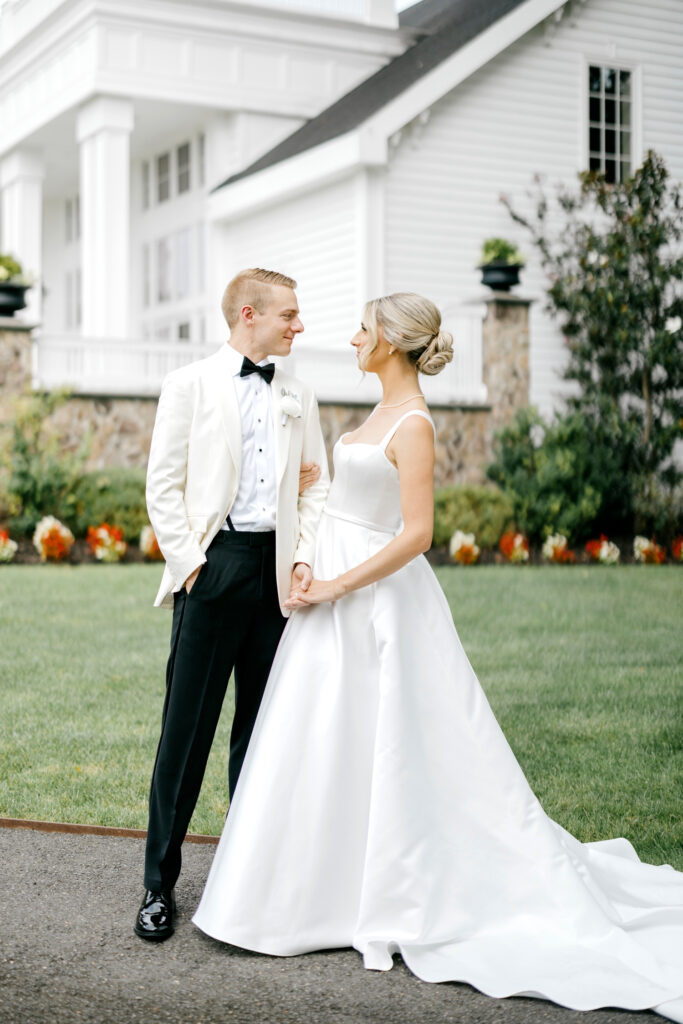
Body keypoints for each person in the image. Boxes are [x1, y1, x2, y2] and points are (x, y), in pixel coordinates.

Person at [192, 292, 683, 1022]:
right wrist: (305, 564)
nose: (352, 337)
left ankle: (382, 891)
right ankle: (311, 892)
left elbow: (415, 534)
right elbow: (334, 500)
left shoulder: (415, 424)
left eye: (364, 327)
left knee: (391, 744)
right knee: (329, 740)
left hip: (379, 603)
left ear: (389, 341)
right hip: (330, 597)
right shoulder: (370, 417)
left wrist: (334, 584)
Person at [134, 268, 329, 942]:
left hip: (275, 580)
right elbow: (162, 487)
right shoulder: (188, 385)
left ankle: (246, 886)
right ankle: (158, 886)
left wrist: (303, 558)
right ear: (250, 314)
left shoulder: (300, 393)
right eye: (289, 315)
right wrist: (192, 569)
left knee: (261, 734)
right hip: (213, 571)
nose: (298, 326)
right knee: (184, 736)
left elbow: (315, 490)